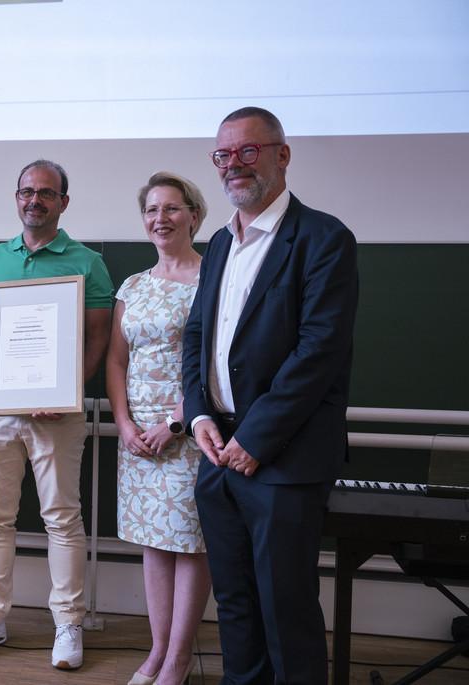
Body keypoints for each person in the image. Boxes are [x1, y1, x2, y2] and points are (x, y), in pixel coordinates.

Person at [182, 107, 359, 684]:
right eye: (223, 155)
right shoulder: (217, 244)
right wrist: (198, 414)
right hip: (218, 455)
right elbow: (197, 338)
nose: (234, 165)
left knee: (286, 611)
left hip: (285, 458)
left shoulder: (324, 239)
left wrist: (255, 439)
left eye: (248, 151)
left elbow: (319, 353)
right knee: (235, 607)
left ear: (282, 155)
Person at [0, 160, 113, 670]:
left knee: (62, 519)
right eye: (27, 192)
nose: (34, 201)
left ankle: (68, 624)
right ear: (16, 197)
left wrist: (67, 390)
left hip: (56, 413)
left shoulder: (88, 262)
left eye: (46, 193)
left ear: (63, 202)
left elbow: (98, 337)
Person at [107, 172, 211, 685]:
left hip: (190, 433)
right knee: (155, 542)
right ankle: (157, 651)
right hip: (137, 439)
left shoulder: (215, 278)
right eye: (152, 209)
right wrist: (124, 423)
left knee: (190, 543)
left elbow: (219, 363)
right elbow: (116, 361)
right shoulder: (132, 285)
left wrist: (175, 423)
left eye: (172, 208)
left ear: (194, 214)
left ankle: (177, 660)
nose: (160, 218)